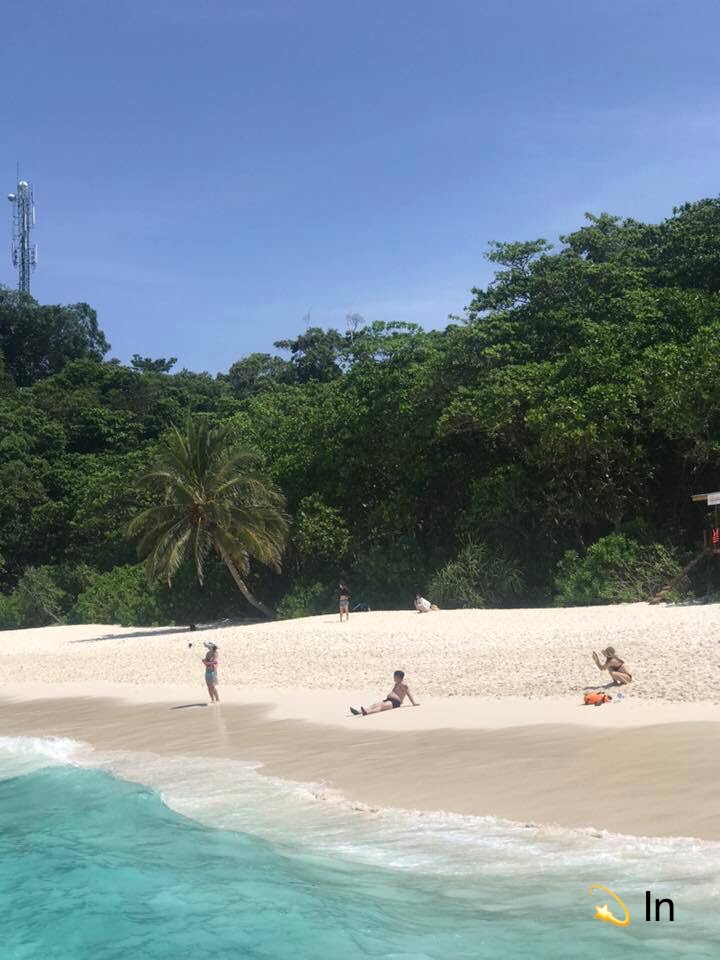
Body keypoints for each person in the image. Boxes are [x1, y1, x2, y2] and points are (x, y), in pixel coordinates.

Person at [350, 670, 419, 716]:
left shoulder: (404, 685)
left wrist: (414, 703)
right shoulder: (396, 684)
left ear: (399, 677)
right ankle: (358, 712)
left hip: (395, 702)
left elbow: (408, 694)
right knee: (374, 705)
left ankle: (367, 713)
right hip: (388, 700)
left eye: (395, 677)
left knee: (381, 707)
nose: (394, 678)